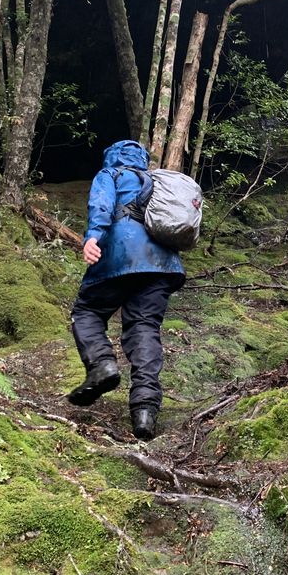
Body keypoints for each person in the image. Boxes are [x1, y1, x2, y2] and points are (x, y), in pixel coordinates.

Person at [67, 140, 185, 441]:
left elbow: (102, 205)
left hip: (119, 257)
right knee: (144, 326)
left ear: (112, 156)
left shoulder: (111, 174)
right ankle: (145, 411)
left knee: (87, 311)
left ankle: (102, 365)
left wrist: (92, 237)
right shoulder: (156, 181)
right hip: (162, 265)